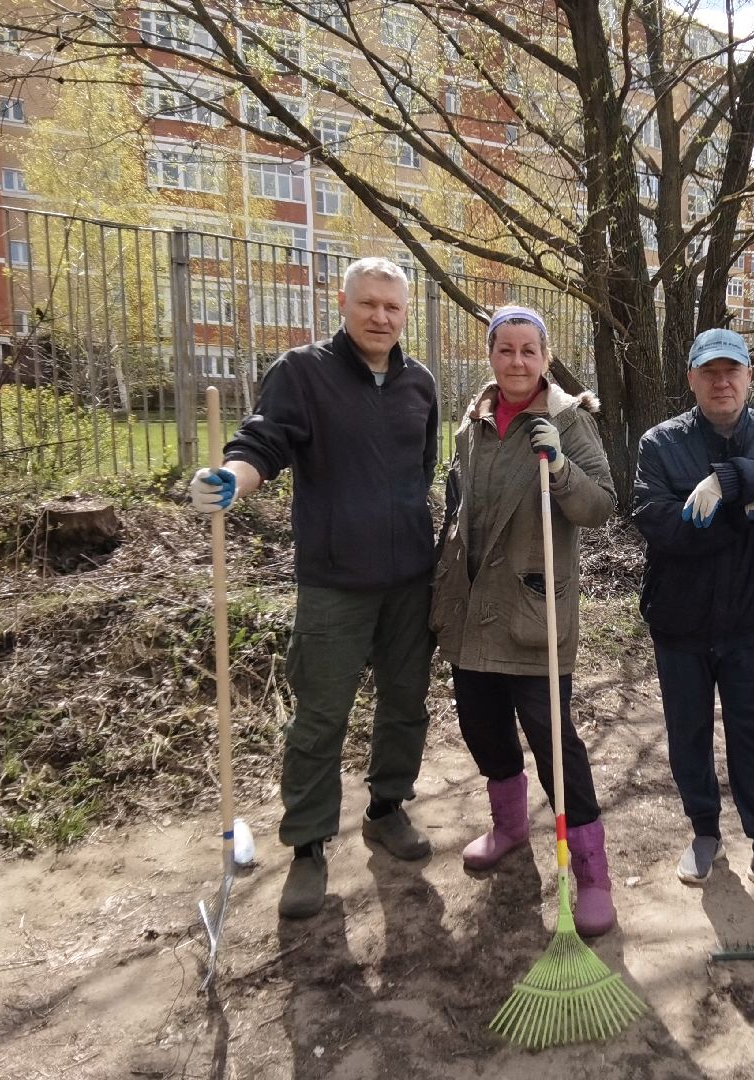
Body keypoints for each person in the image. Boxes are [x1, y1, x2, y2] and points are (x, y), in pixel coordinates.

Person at [187, 257, 439, 920]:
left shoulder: (419, 383)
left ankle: (387, 808)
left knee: (406, 703)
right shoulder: (303, 372)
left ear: (405, 311)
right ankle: (307, 846)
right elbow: (261, 444)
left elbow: (422, 468)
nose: (381, 317)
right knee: (320, 717)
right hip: (335, 581)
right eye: (369, 305)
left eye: (393, 306)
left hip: (411, 578)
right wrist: (231, 481)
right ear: (344, 303)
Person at [428, 305, 619, 936]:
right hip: (472, 608)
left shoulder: (566, 418)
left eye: (528, 351)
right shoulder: (474, 420)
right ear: (491, 356)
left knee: (555, 747)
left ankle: (590, 873)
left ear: (545, 356)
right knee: (482, 729)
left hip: (533, 611)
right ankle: (509, 827)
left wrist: (561, 469)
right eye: (504, 350)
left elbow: (602, 507)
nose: (516, 362)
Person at [632, 327, 754, 912]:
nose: (722, 381)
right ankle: (704, 832)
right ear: (690, 379)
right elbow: (659, 522)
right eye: (709, 372)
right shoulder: (660, 444)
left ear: (748, 376)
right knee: (687, 731)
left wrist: (731, 480)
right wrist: (743, 513)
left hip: (753, 620)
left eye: (732, 370)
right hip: (680, 622)